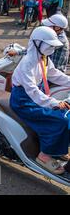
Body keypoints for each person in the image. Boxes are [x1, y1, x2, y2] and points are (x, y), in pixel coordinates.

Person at [10, 26, 70, 175]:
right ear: (37, 43)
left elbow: (55, 75)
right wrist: (55, 103)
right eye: (49, 45)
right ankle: (43, 155)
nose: (52, 48)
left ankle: (56, 150)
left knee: (66, 117)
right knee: (59, 120)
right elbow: (33, 92)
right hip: (24, 102)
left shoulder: (43, 58)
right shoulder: (27, 63)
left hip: (38, 97)